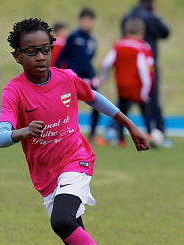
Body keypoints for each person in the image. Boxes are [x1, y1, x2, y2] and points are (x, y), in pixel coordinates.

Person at [0, 18, 150, 245]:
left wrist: (131, 126)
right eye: (31, 51)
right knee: (74, 239)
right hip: (47, 176)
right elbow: (1, 137)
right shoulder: (14, 92)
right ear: (17, 56)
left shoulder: (66, 78)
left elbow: (97, 99)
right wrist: (21, 132)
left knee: (62, 220)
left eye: (45, 49)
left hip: (76, 160)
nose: (40, 56)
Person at [121, 0, 170, 146]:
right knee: (151, 98)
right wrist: (155, 15)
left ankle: (115, 130)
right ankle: (158, 131)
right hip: (147, 65)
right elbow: (165, 33)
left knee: (125, 100)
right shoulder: (151, 17)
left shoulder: (128, 15)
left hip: (128, 66)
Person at [56, 8, 106, 146]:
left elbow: (89, 59)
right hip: (72, 78)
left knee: (97, 104)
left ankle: (92, 134)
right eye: (85, 20)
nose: (88, 23)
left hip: (88, 78)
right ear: (80, 21)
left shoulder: (92, 40)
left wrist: (93, 75)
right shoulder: (73, 37)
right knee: (67, 107)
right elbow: (61, 56)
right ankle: (63, 134)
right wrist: (56, 73)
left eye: (90, 21)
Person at [100, 17, 154, 147]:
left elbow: (106, 63)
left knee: (122, 111)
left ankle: (120, 139)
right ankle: (150, 136)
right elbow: (144, 69)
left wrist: (104, 77)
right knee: (145, 110)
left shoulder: (119, 44)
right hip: (138, 86)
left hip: (122, 85)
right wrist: (147, 88)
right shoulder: (143, 47)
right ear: (142, 32)